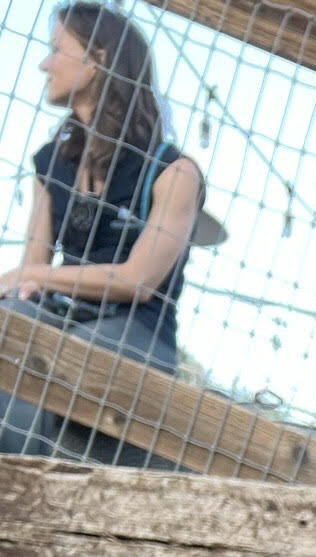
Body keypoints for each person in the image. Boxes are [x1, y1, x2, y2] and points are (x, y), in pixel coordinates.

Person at [0, 5, 203, 462]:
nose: (43, 64)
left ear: (98, 61)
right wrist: (21, 288)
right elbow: (33, 272)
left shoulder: (174, 171)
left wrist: (32, 276)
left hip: (137, 332)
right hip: (63, 315)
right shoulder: (50, 162)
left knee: (76, 356)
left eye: (56, 50)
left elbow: (137, 281)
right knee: (12, 321)